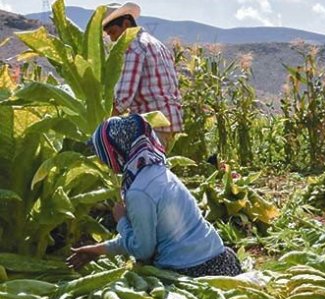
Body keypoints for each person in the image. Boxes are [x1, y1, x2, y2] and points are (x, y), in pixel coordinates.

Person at [67, 114, 241, 277]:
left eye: (103, 155)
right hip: (219, 257)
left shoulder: (138, 192)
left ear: (115, 151)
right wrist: (98, 249)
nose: (103, 161)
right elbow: (142, 236)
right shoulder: (157, 170)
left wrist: (121, 221)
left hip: (191, 269)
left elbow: (143, 250)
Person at [102, 2, 183, 148]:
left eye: (113, 32)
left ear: (126, 24)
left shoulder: (133, 45)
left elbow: (123, 97)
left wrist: (102, 129)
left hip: (151, 126)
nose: (113, 39)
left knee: (141, 169)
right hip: (170, 122)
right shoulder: (157, 44)